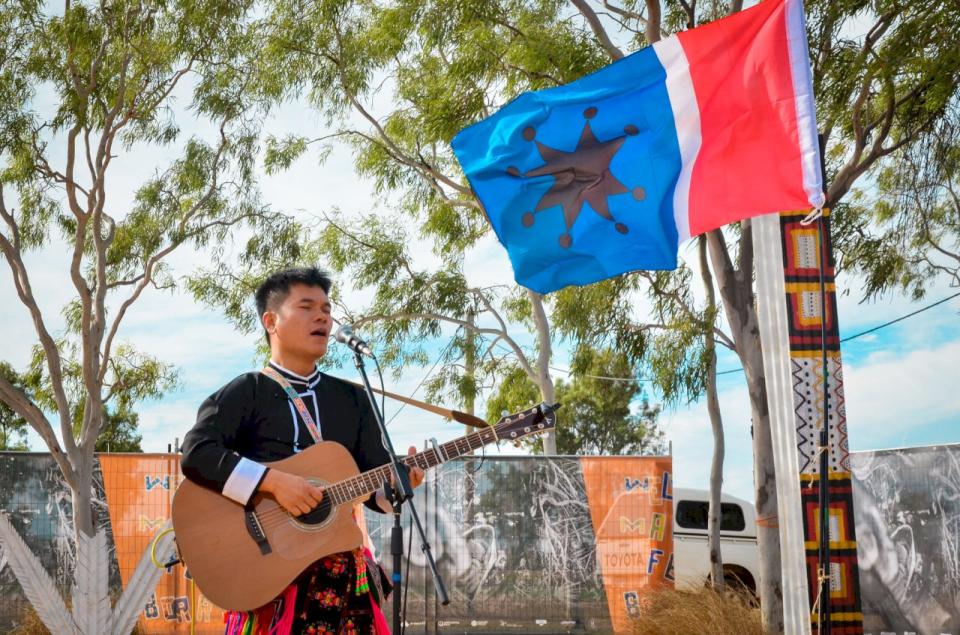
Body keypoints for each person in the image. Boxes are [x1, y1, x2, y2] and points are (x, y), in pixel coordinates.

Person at [181, 266, 424, 635]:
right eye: (307, 306)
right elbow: (197, 453)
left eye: (326, 308)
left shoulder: (354, 400)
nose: (322, 316)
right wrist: (273, 482)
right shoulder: (248, 390)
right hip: (269, 578)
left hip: (342, 580)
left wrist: (400, 483)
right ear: (271, 321)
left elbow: (375, 493)